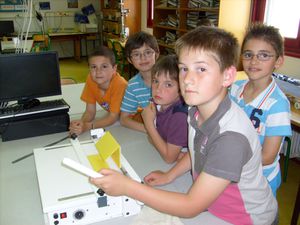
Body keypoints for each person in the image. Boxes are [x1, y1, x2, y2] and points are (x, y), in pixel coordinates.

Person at [90, 27, 278, 225]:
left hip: (245, 218)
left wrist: (127, 187)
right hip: (215, 204)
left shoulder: (231, 138)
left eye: (201, 69)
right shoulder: (195, 110)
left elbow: (190, 206)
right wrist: (170, 175)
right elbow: (199, 149)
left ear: (227, 76)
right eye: (183, 68)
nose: (187, 79)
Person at [230, 23, 292, 196]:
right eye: (248, 54)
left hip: (259, 181)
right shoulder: (235, 88)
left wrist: (226, 158)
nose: (254, 61)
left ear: (278, 61)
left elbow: (267, 157)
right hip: (234, 172)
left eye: (263, 55)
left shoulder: (277, 105)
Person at [69, 46, 127, 135]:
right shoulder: (91, 79)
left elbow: (112, 117)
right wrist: (80, 124)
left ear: (114, 68)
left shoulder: (120, 84)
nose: (98, 71)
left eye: (104, 66)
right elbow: (90, 112)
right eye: (94, 67)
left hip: (134, 119)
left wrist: (88, 126)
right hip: (119, 120)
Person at [141, 55, 188, 164]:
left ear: (182, 88)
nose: (158, 89)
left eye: (168, 84)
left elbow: (169, 158)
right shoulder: (158, 104)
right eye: (155, 81)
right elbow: (152, 139)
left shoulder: (180, 116)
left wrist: (148, 124)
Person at [120, 31, 160, 132]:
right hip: (156, 133)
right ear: (130, 59)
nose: (143, 58)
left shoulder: (171, 78)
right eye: (136, 54)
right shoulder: (133, 85)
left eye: (148, 52)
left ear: (157, 54)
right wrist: (151, 130)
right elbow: (124, 119)